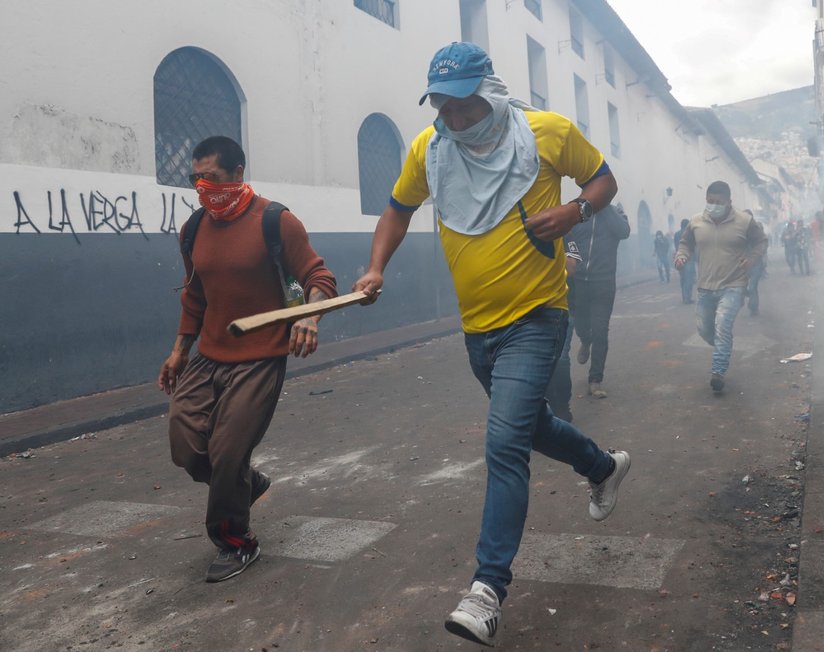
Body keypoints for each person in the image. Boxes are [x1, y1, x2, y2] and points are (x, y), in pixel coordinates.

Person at [352, 42, 630, 647]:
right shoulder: (431, 149)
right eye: (443, 106)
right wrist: (376, 269)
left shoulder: (547, 132)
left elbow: (604, 180)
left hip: (538, 316)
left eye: (464, 105)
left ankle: (487, 590)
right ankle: (603, 467)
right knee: (530, 426)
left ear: (491, 92)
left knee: (505, 442)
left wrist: (574, 212)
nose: (453, 118)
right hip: (478, 330)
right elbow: (397, 210)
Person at [158, 136, 337, 583]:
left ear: (238, 174)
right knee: (186, 447)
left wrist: (310, 317)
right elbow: (194, 295)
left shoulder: (277, 222)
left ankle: (236, 541)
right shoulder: (194, 228)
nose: (203, 187)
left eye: (212, 178)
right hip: (208, 355)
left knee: (227, 451)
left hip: (260, 357)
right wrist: (179, 351)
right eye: (197, 179)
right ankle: (247, 485)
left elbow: (319, 277)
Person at [675, 180, 767, 392]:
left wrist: (752, 258)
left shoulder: (745, 221)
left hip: (734, 284)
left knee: (722, 326)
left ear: (728, 202)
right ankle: (723, 346)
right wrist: (681, 256)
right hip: (706, 286)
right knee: (705, 330)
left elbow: (761, 241)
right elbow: (685, 243)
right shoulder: (696, 221)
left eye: (718, 202)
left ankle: (718, 372)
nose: (713, 205)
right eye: (709, 201)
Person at [566, 203, 630, 399]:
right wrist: (572, 256)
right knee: (581, 324)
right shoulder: (576, 208)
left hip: (604, 282)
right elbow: (567, 236)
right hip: (578, 282)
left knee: (601, 330)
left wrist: (605, 207)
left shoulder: (615, 212)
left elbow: (624, 232)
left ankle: (595, 380)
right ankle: (586, 340)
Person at [544, 249, 582, 422]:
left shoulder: (564, 231)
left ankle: (561, 406)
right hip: (530, 312)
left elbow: (572, 265)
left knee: (560, 358)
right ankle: (552, 406)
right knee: (542, 362)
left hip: (562, 307)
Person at [744, 210, 766, 316]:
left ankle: (753, 308)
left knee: (752, 286)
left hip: (756, 263)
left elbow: (763, 244)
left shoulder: (757, 230)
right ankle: (750, 297)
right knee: (741, 288)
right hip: (743, 264)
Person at [674, 218, 695, 304]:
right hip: (689, 258)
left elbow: (675, 245)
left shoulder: (676, 234)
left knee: (683, 278)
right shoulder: (690, 233)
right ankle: (687, 298)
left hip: (679, 258)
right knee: (689, 279)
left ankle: (684, 297)